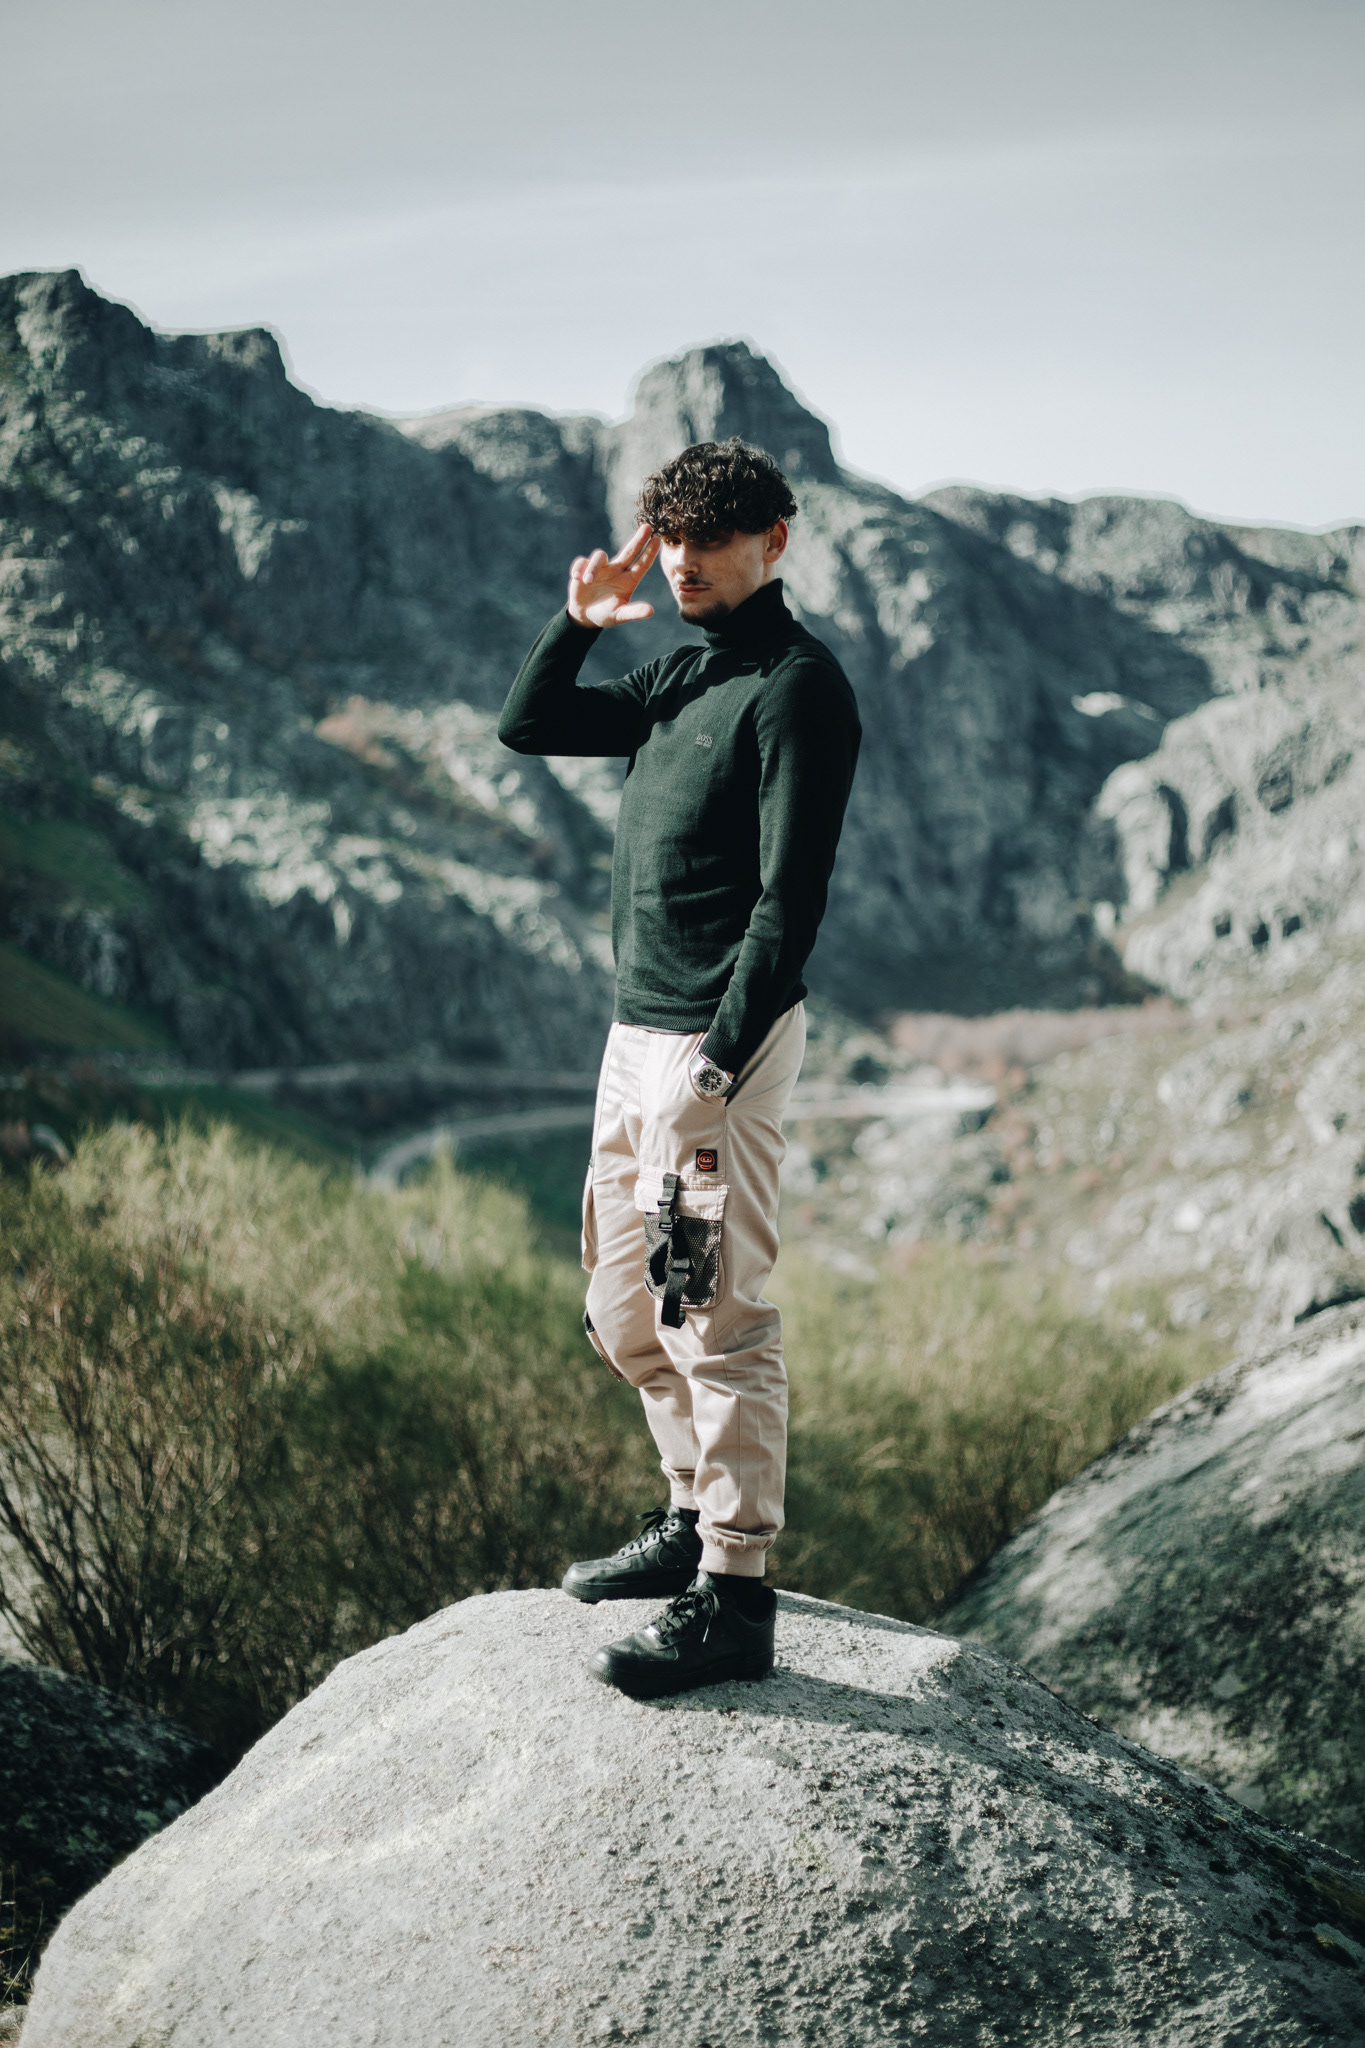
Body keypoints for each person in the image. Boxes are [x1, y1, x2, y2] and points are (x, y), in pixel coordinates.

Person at [498, 438, 861, 1699]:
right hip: (632, 1040)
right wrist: (579, 620)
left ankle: (736, 1592)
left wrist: (717, 1060)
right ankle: (686, 1512)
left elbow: (789, 900)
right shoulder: (678, 670)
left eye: (714, 538)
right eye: (674, 539)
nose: (689, 561)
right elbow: (530, 723)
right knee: (622, 1308)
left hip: (717, 1048)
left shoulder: (799, 687)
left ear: (775, 540)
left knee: (712, 1311)